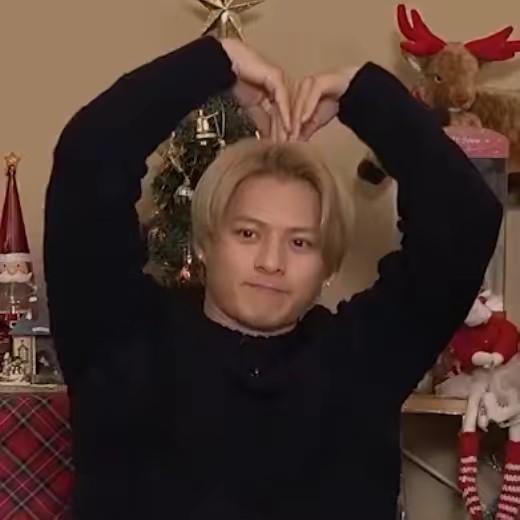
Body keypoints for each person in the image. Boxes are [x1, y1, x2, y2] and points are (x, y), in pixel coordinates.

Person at [43, 35, 502, 520]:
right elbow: (89, 161)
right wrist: (213, 62)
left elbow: (465, 218)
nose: (271, 261)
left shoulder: (363, 356)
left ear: (327, 264)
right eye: (247, 233)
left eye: (300, 242)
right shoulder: (121, 337)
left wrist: (364, 94)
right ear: (205, 242)